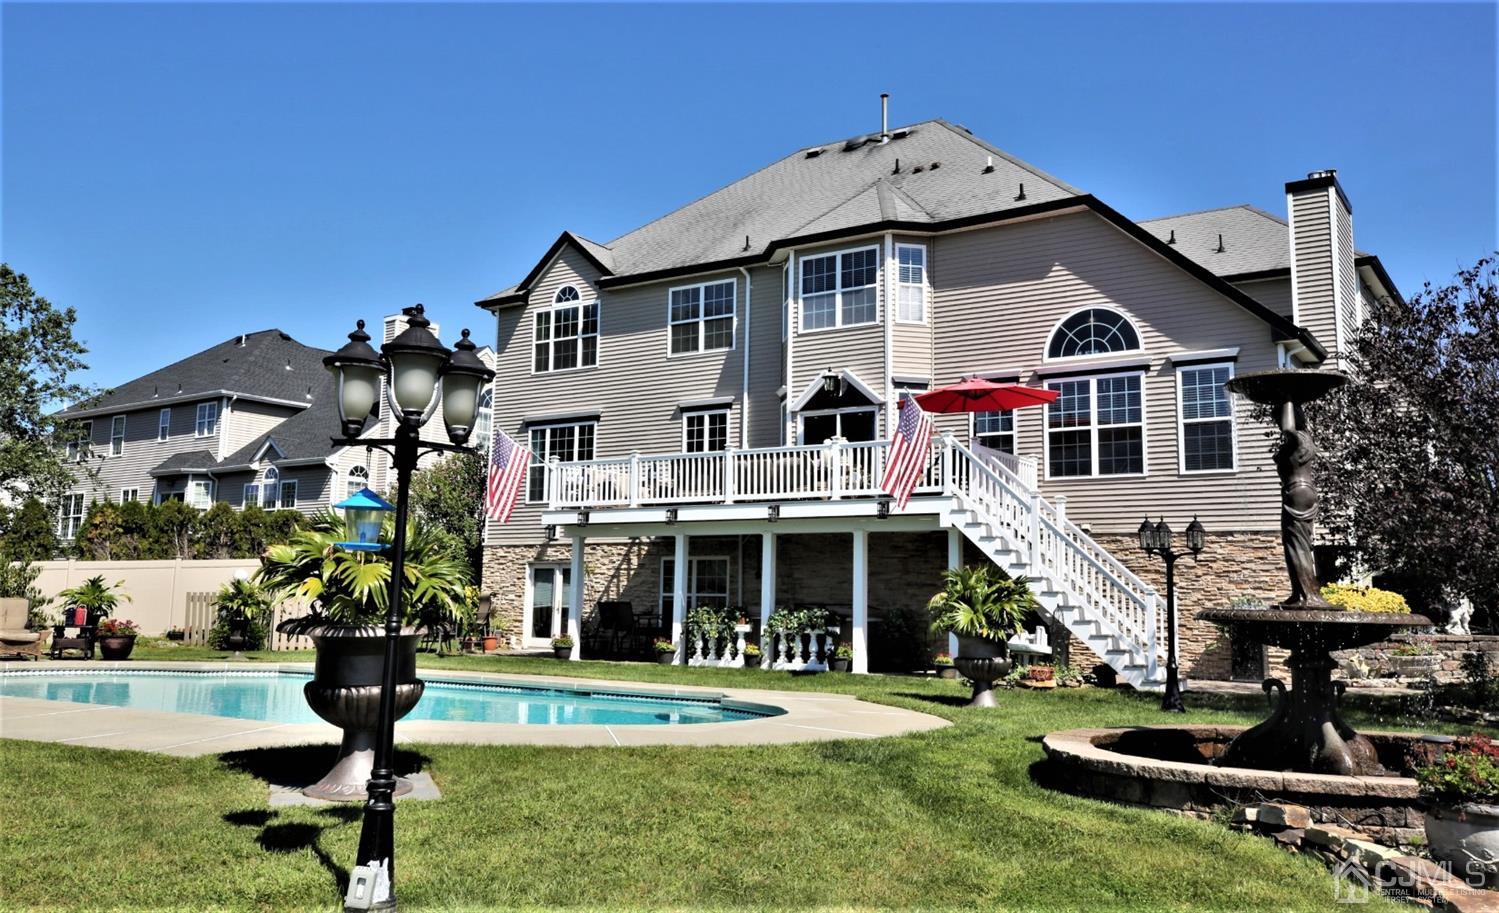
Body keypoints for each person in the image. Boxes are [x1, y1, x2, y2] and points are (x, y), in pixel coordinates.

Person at [1275, 400, 1330, 608]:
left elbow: (1288, 428)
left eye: (1278, 418)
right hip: (1306, 491)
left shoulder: (1296, 438)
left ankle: (1306, 595)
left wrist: (1287, 399)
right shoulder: (1307, 439)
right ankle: (1301, 591)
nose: (1278, 423)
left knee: (1294, 545)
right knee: (1301, 545)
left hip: (1295, 491)